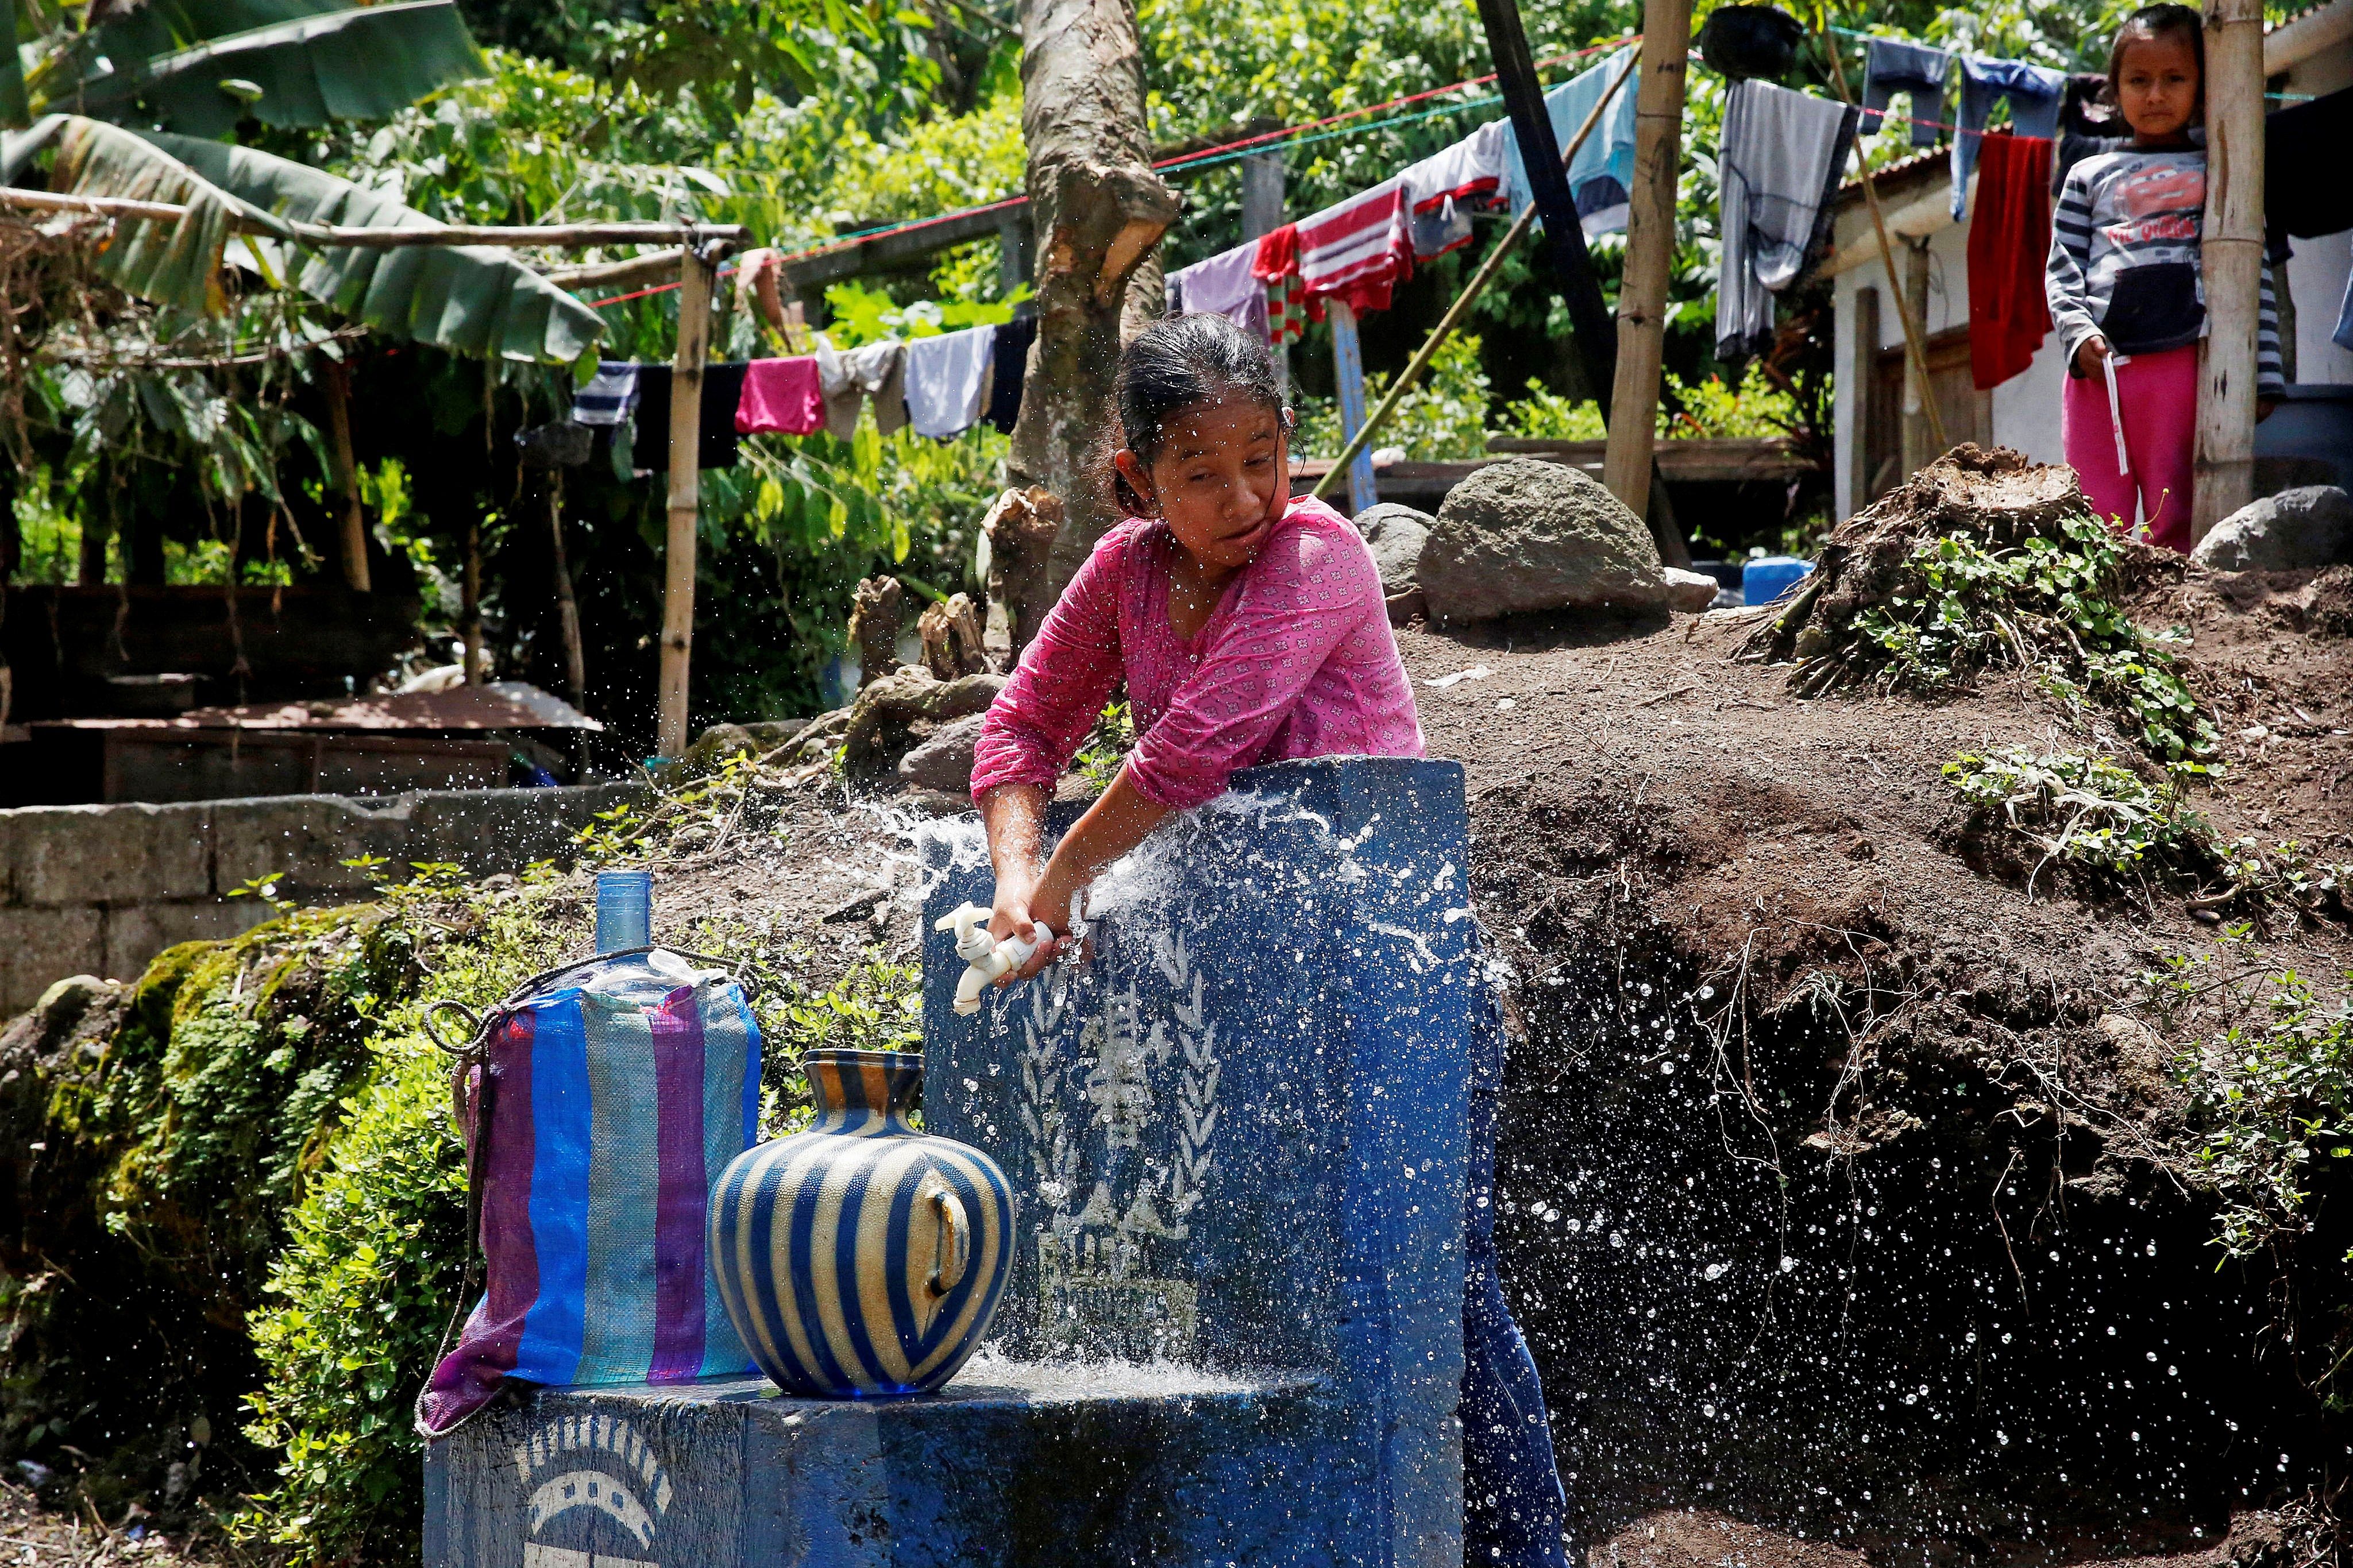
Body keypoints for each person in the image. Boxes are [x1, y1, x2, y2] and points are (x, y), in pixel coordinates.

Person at [966, 311, 1575, 1567]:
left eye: (1262, 456)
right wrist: (1016, 882)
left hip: (1395, 986)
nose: (1242, 496)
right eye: (1199, 474)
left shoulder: (1319, 556)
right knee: (1256, 1296)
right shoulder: (1126, 574)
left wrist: (1068, 880)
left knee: (1433, 1295)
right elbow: (1017, 731)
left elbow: (1192, 747)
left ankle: (1528, 1557)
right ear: (1135, 483)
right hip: (1243, 990)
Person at [2045, 2, 2282, 554]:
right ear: (2114, 91)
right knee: (2092, 514)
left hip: (2185, 364)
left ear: (2203, 88)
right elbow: (2062, 269)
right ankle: (2098, 621)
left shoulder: (2226, 172)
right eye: (2139, 80)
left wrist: (2264, 375)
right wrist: (2078, 336)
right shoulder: (2087, 175)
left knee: (2172, 515)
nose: (2155, 94)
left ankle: (2170, 628)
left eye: (2174, 79)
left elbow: (2257, 279)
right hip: (2100, 372)